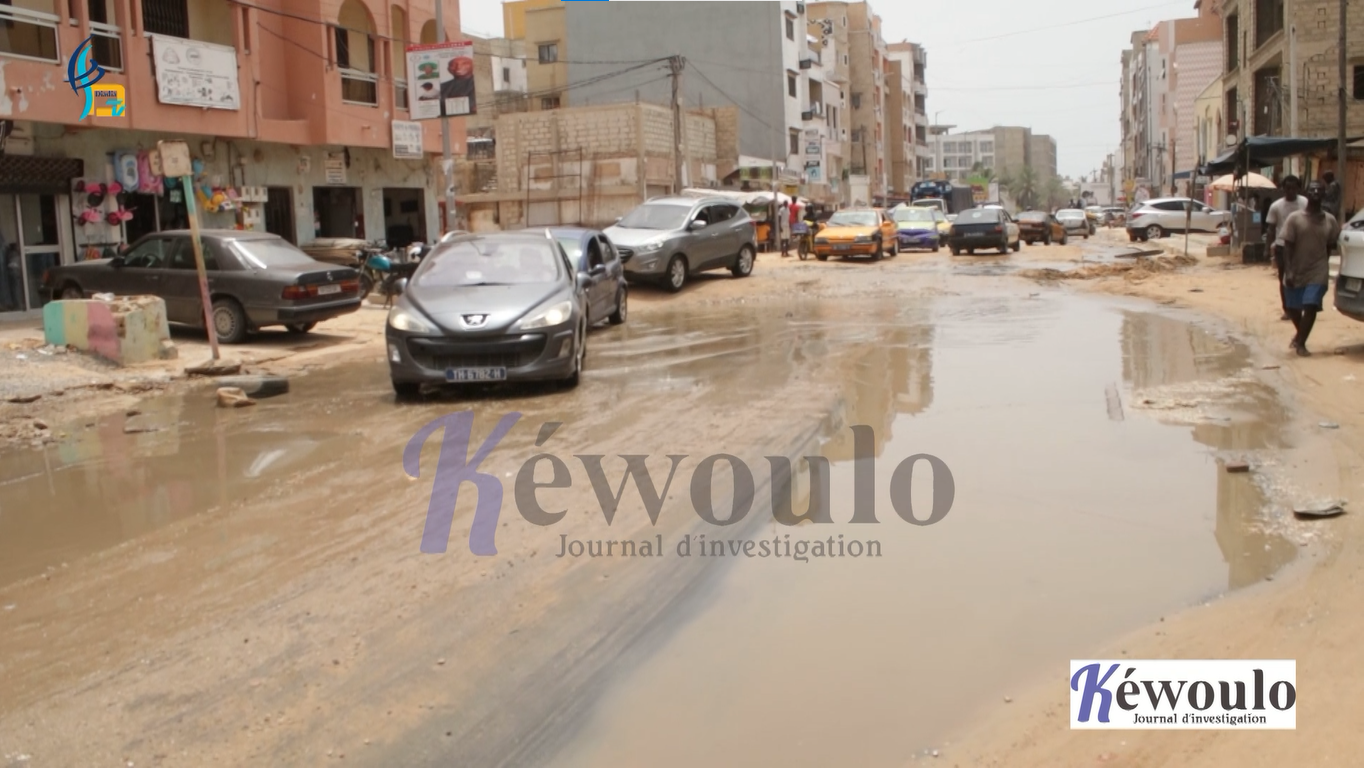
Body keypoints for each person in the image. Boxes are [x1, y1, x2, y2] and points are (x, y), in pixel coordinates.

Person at [1281, 180, 1340, 357]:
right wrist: (1288, 271)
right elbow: (1287, 247)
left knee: (1311, 304)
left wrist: (1324, 265)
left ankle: (1301, 344)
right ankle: (1300, 334)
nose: (1315, 193)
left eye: (1319, 190)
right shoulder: (1294, 219)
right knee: (1293, 308)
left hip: (1318, 271)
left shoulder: (1330, 220)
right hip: (1296, 269)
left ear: (1323, 194)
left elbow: (1330, 245)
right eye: (1312, 190)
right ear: (1307, 194)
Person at [1265, 176, 1305, 321]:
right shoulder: (1276, 206)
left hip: (1301, 246)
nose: (1290, 191)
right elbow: (1271, 229)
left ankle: (1301, 306)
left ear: (1298, 188)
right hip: (1282, 247)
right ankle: (1287, 309)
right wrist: (1267, 248)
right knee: (1284, 278)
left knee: (1302, 277)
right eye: (1287, 188)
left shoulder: (1304, 203)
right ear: (1283, 189)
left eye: (1293, 188)